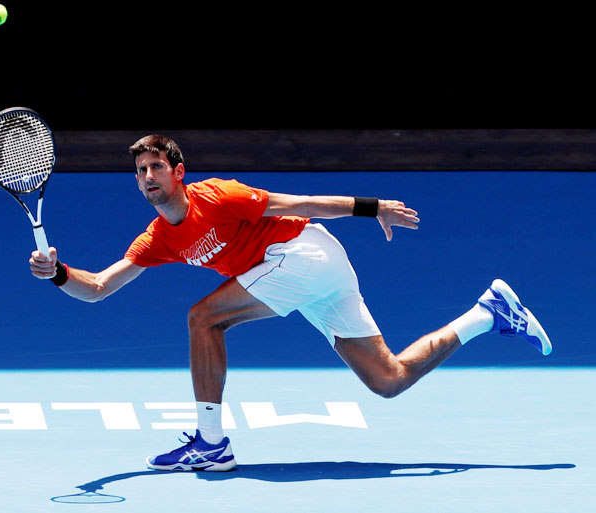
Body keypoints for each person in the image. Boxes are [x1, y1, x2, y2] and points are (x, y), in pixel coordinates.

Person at [29, 134, 552, 472]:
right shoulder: (157, 238)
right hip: (305, 277)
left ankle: (210, 442)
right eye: (140, 171)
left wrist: (373, 209)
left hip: (303, 253)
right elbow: (97, 288)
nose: (147, 177)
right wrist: (58, 274)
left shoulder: (217, 196)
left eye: (156, 167)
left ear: (177, 170)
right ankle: (488, 313)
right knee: (388, 380)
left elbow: (297, 202)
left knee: (203, 317)